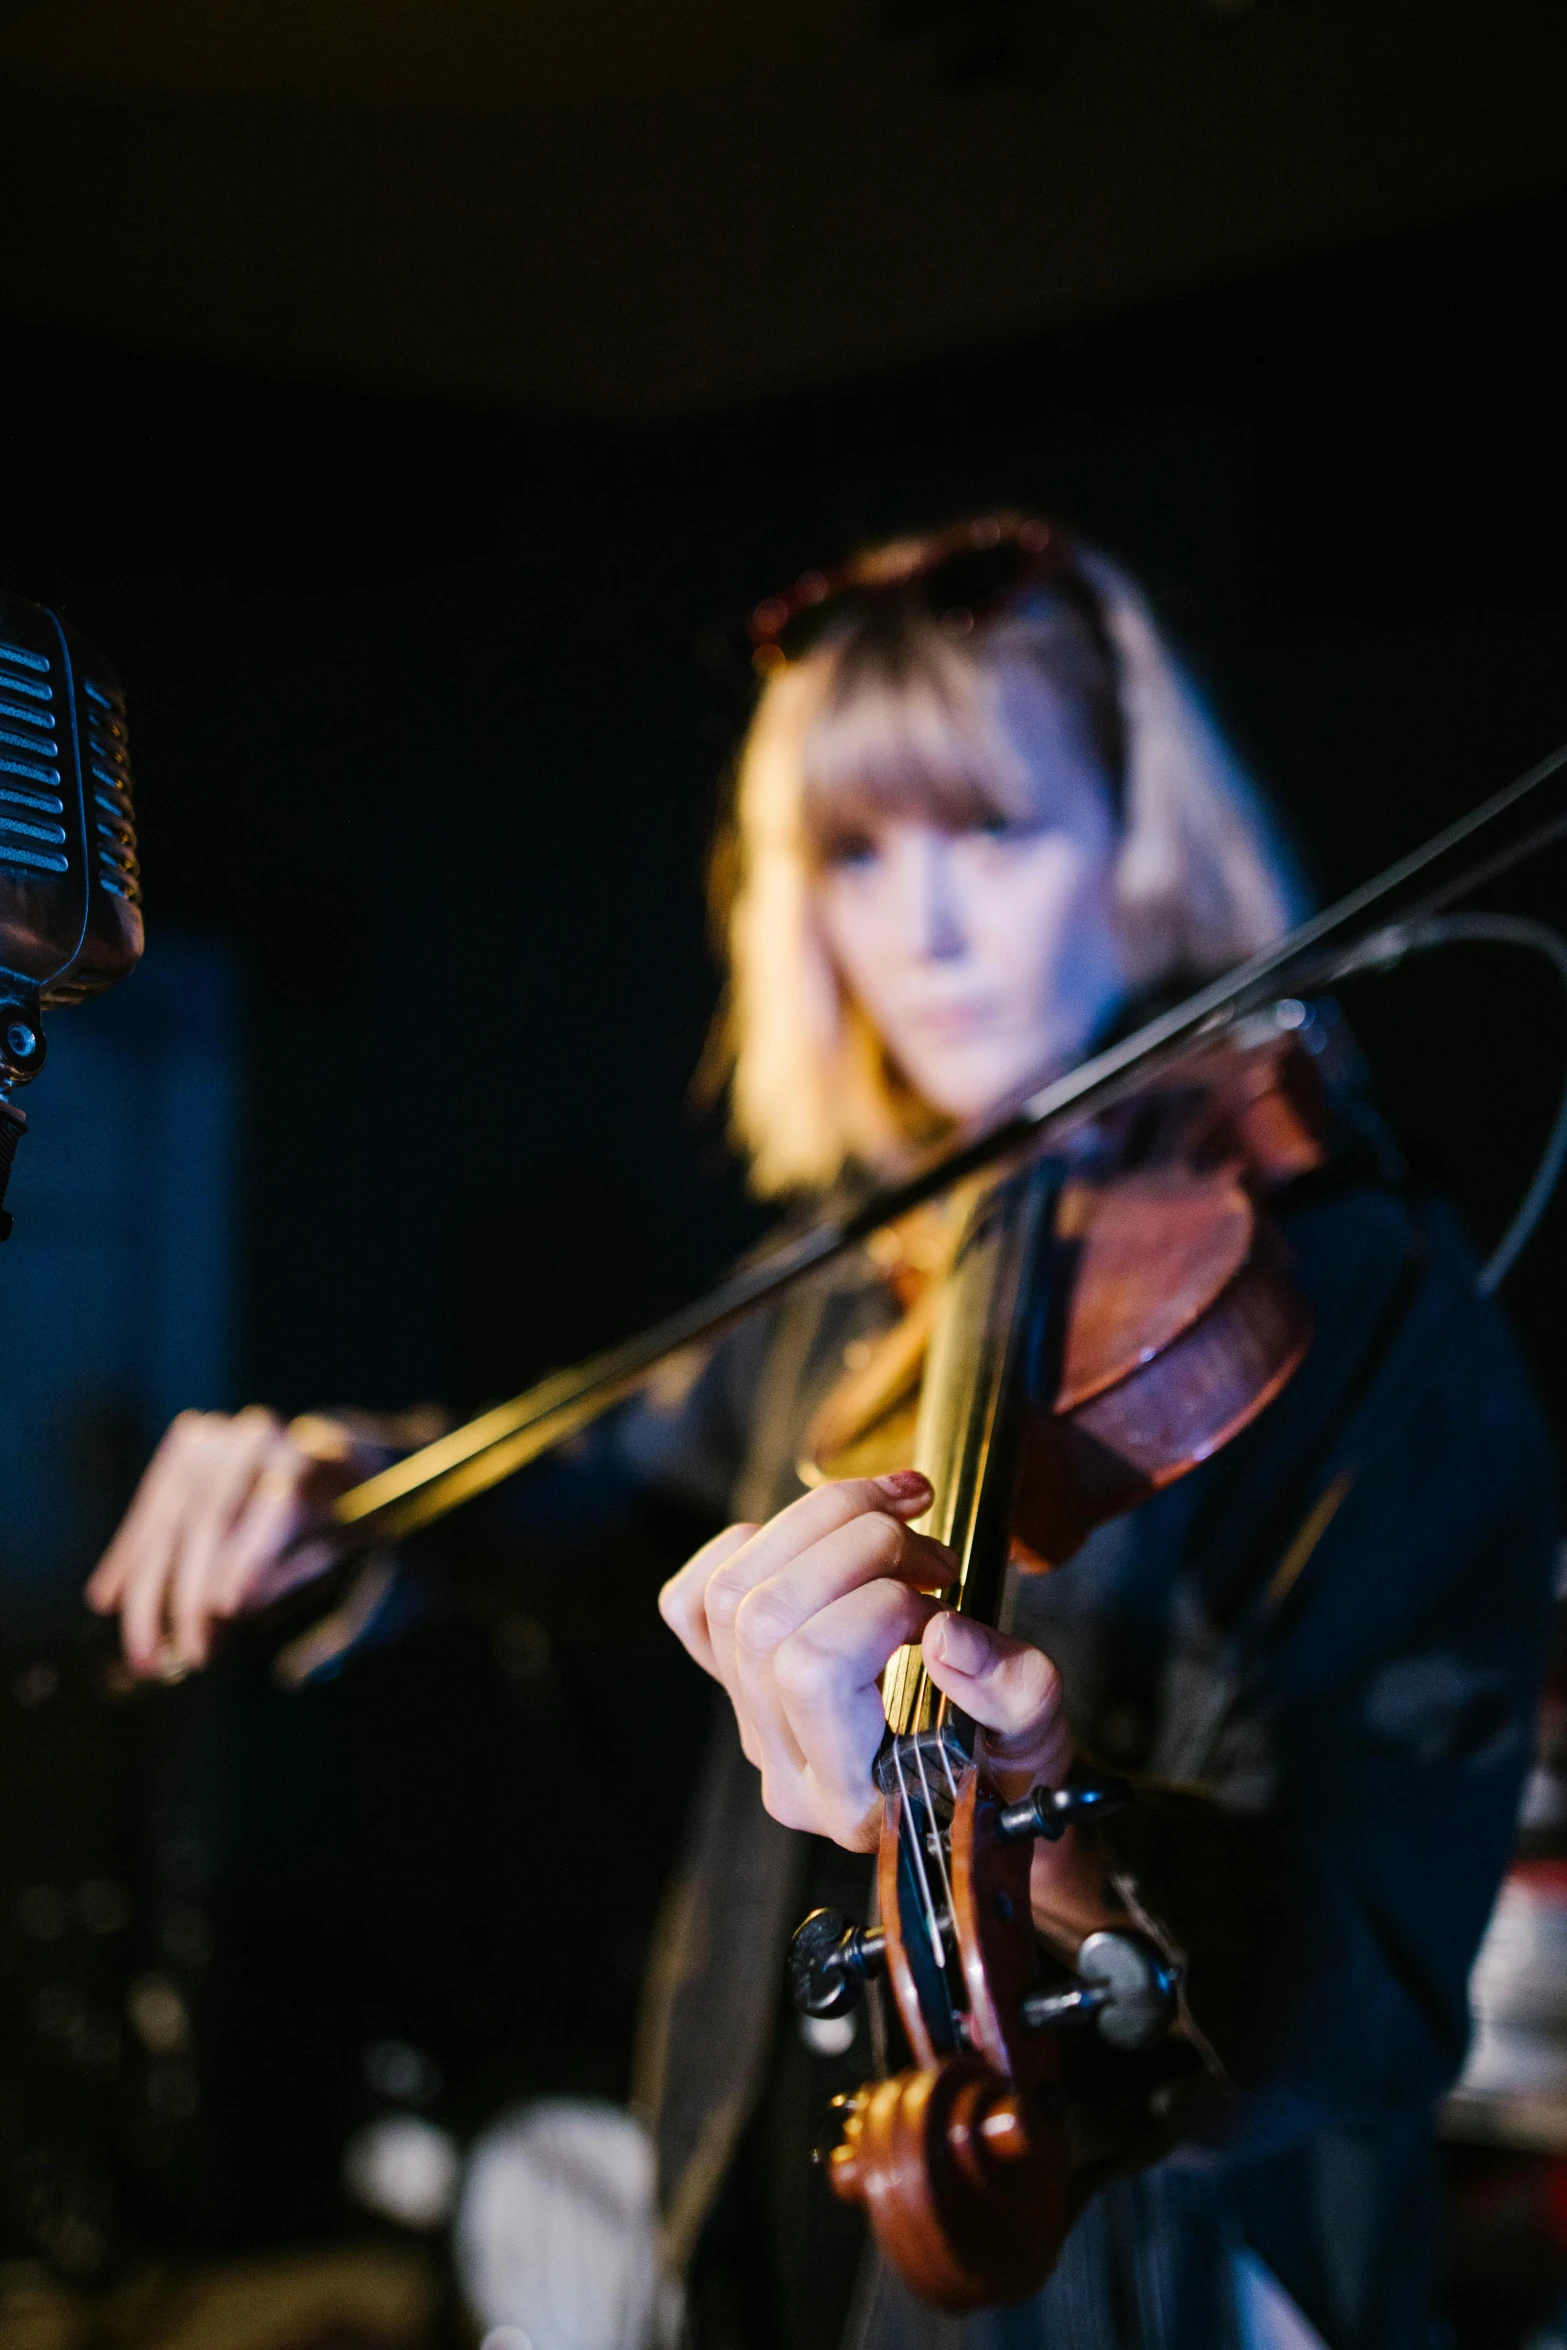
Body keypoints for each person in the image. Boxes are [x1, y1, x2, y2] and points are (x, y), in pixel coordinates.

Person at [85, 517, 1558, 2350]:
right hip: (780, 2214)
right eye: (856, 852)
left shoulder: (1355, 1291)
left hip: (1143, 2275)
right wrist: (354, 1487)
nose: (918, 927)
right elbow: (601, 1480)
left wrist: (1054, 1820)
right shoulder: (864, 1263)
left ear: (1131, 846)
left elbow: (1370, 1981)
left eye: (992, 830)